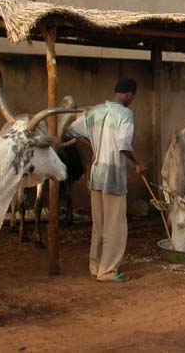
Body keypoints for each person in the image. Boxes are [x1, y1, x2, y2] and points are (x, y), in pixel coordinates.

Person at [68, 77, 145, 282]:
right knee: (115, 226)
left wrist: (93, 146)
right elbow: (124, 145)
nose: (132, 100)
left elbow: (71, 130)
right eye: (132, 97)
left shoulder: (94, 111)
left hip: (96, 175)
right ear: (129, 95)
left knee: (99, 224)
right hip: (113, 177)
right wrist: (137, 163)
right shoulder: (125, 114)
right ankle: (108, 271)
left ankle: (95, 265)